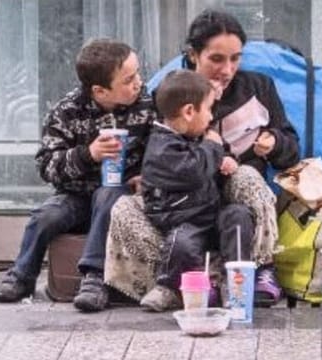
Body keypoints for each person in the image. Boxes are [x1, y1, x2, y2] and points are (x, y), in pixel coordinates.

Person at [105, 9, 299, 309]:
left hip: (236, 205)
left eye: (235, 58)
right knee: (122, 208)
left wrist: (274, 143)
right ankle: (190, 278)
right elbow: (150, 148)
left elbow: (291, 153)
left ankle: (259, 268)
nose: (227, 69)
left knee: (245, 175)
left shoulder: (258, 87)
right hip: (182, 207)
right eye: (217, 59)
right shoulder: (169, 92)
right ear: (194, 55)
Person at [0, 38, 158, 312]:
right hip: (77, 194)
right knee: (46, 215)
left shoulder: (149, 105)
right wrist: (87, 154)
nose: (138, 82)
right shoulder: (67, 111)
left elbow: (163, 150)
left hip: (123, 196)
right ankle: (22, 275)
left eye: (137, 73)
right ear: (100, 91)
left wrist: (147, 177)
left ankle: (94, 277)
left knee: (109, 195)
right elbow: (47, 166)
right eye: (128, 80)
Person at [139, 69, 253, 311]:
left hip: (209, 214)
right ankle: (168, 287)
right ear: (189, 112)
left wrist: (226, 158)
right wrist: (213, 146)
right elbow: (194, 170)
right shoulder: (161, 147)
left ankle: (236, 282)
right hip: (183, 219)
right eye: (209, 109)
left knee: (238, 215)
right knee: (182, 243)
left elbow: (208, 158)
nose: (212, 117)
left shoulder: (193, 134)